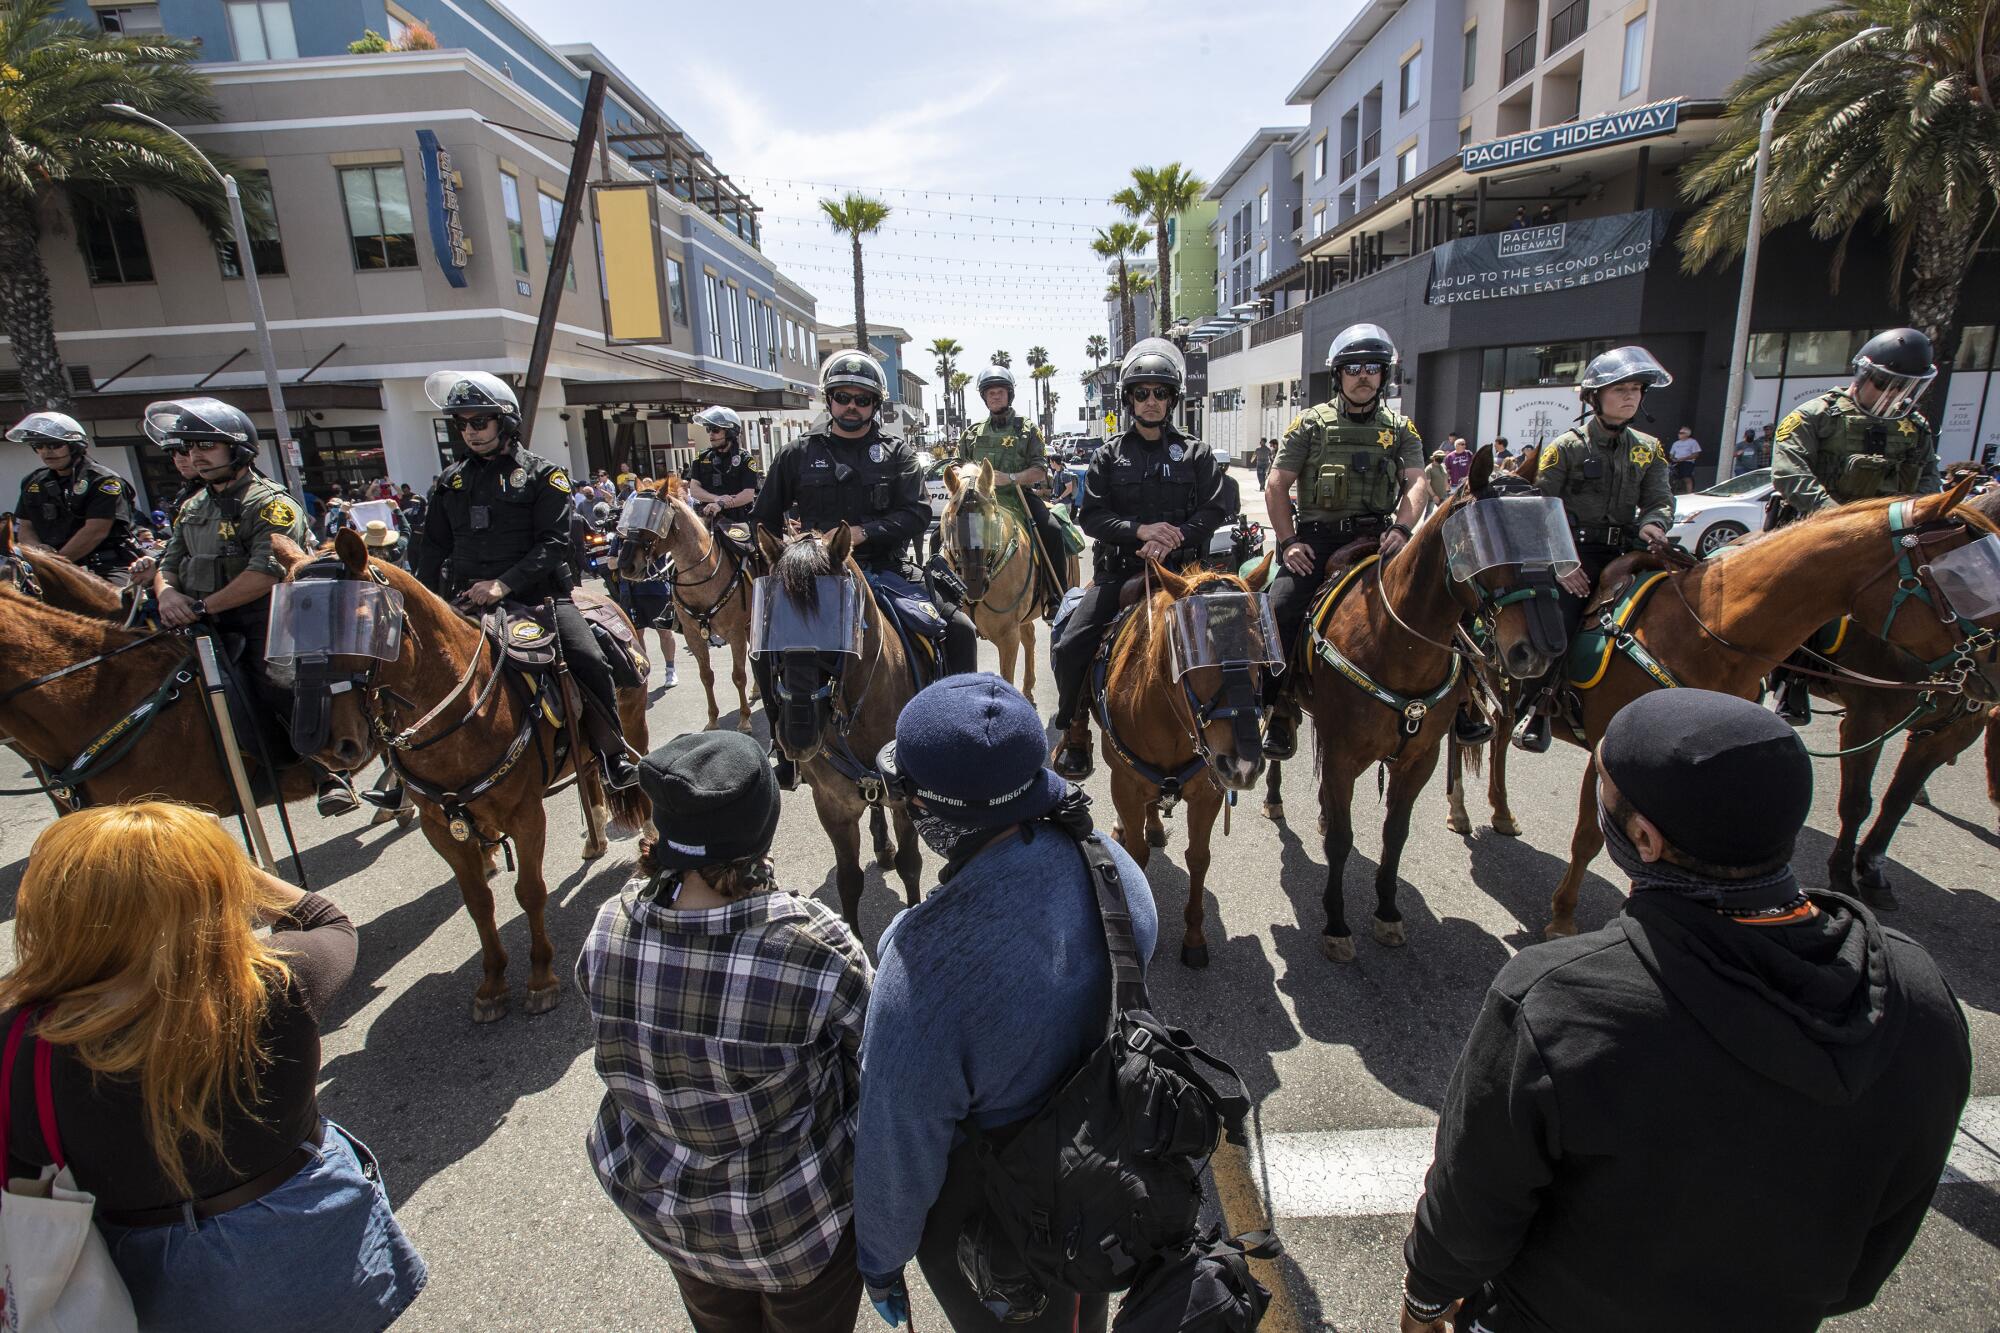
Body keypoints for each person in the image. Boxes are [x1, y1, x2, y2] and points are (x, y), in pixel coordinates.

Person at [1400, 689, 1970, 1333]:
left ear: (1643, 837)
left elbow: (1473, 1207)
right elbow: (1877, 1245)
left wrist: (1425, 1299)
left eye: (1603, 789)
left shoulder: (1557, 999)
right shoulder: (1920, 992)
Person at [0, 802, 426, 1332]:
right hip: (314, 1237)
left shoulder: (19, 1037)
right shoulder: (275, 982)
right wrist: (223, 864)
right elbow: (326, 919)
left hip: (154, 1276)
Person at [854, 675, 1157, 1333]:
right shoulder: (1115, 870)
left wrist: (880, 1259)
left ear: (937, 816)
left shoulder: (921, 968)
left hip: (999, 1226)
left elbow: (899, 1146)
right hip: (1103, 1173)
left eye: (908, 796)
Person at [577, 732, 870, 1333]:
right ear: (760, 834)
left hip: (670, 1217)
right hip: (797, 1230)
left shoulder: (608, 926)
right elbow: (877, 1061)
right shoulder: (810, 944)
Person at [414, 370, 639, 789]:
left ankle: (612, 756)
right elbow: (432, 549)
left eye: (479, 421)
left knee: (590, 659)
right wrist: (420, 597)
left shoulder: (543, 475)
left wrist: (503, 584)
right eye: (462, 423)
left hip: (539, 598)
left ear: (505, 422)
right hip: (466, 599)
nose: (470, 431)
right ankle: (402, 774)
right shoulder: (450, 481)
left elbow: (554, 543)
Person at [147, 396, 358, 816]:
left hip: (263, 617)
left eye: (205, 446)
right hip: (196, 619)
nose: (195, 456)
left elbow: (265, 573)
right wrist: (167, 594)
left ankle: (328, 772)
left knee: (279, 685)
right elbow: (168, 563)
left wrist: (203, 605)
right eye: (189, 448)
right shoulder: (193, 506)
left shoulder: (270, 503)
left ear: (237, 448)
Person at [1049, 338, 1229, 778]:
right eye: (1142, 393)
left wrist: (1177, 536)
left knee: (1244, 643)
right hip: (1121, 574)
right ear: (1129, 399)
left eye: (1160, 393)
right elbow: (1091, 516)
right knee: (1071, 644)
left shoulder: (1197, 453)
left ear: (1172, 399)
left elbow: (1217, 507)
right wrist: (1139, 532)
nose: (1151, 401)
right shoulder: (1108, 455)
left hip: (1186, 579)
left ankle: (1247, 725)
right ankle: (1075, 730)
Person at [752, 350, 977, 678]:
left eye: (863, 399)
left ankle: (960, 716)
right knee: (762, 648)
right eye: (843, 397)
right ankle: (779, 728)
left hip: (888, 571)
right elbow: (762, 519)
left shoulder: (898, 453)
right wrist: (788, 557)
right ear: (829, 400)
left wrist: (864, 532)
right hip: (815, 580)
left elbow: (917, 513)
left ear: (876, 404)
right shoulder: (795, 454)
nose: (852, 406)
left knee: (961, 630)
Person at [1261, 323, 1428, 759]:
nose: (1363, 375)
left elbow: (1416, 484)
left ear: (1383, 375)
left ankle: (1466, 701)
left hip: (1381, 540)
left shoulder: (1402, 428)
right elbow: (1276, 487)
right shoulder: (1310, 425)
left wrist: (1403, 528)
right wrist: (1289, 542)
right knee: (1277, 612)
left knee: (1447, 603)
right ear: (1338, 375)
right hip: (1316, 543)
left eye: (1372, 367)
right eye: (1352, 367)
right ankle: (1278, 709)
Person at [1767, 328, 1944, 722]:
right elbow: (1790, 474)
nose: (1893, 394)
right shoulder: (1815, 417)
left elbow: (1929, 484)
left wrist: (1923, 518)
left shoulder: (1915, 428)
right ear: (1864, 375)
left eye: (1905, 388)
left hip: (1891, 536)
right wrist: (1838, 522)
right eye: (1886, 383)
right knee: (1799, 596)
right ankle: (1790, 681)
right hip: (1817, 530)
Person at [1516, 345, 1675, 752]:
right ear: (1594, 396)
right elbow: (1541, 510)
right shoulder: (1565, 448)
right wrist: (1562, 562)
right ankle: (1535, 705)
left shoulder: (1649, 447)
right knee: (1557, 625)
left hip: (1629, 549)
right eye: (1619, 388)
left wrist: (1656, 523)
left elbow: (1659, 498)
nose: (1629, 396)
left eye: (1637, 389)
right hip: (1575, 553)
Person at [958, 365, 1074, 619]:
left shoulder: (1027, 428)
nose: (995, 396)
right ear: (984, 397)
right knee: (942, 537)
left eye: (1000, 392)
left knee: (1053, 531)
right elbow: (959, 466)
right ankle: (947, 596)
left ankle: (1056, 597)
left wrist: (1010, 478)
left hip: (1019, 498)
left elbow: (1040, 471)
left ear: (1009, 395)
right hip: (981, 503)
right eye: (990, 393)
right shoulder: (972, 433)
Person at [8, 410, 140, 582]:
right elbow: (25, 527)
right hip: (46, 566)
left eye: (54, 445)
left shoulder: (103, 481)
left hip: (105, 565)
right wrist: (37, 552)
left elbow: (96, 530)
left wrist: (57, 563)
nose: (46, 452)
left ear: (75, 446)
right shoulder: (33, 481)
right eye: (39, 446)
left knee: (117, 603)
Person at [610, 517, 679, 690]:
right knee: (636, 636)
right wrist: (626, 553)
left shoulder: (653, 534)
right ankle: (643, 671)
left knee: (665, 632)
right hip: (630, 594)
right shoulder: (620, 537)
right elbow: (611, 563)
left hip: (655, 590)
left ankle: (670, 669)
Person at [687, 405, 761, 525]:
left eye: (715, 430)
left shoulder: (745, 459)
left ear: (730, 432)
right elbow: (694, 489)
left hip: (738, 521)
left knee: (747, 544)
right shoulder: (701, 457)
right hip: (707, 517)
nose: (711, 434)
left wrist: (721, 505)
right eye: (709, 430)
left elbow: (748, 494)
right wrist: (716, 499)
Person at [1669, 425, 1703, 493]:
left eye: (1681, 433)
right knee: (1671, 476)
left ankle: (1689, 493)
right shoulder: (1676, 443)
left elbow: (1696, 454)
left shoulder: (1693, 442)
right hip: (1676, 462)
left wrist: (1683, 458)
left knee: (1686, 478)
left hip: (1687, 462)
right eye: (1679, 432)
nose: (1679, 434)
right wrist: (1673, 458)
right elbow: (1671, 454)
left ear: (1687, 434)